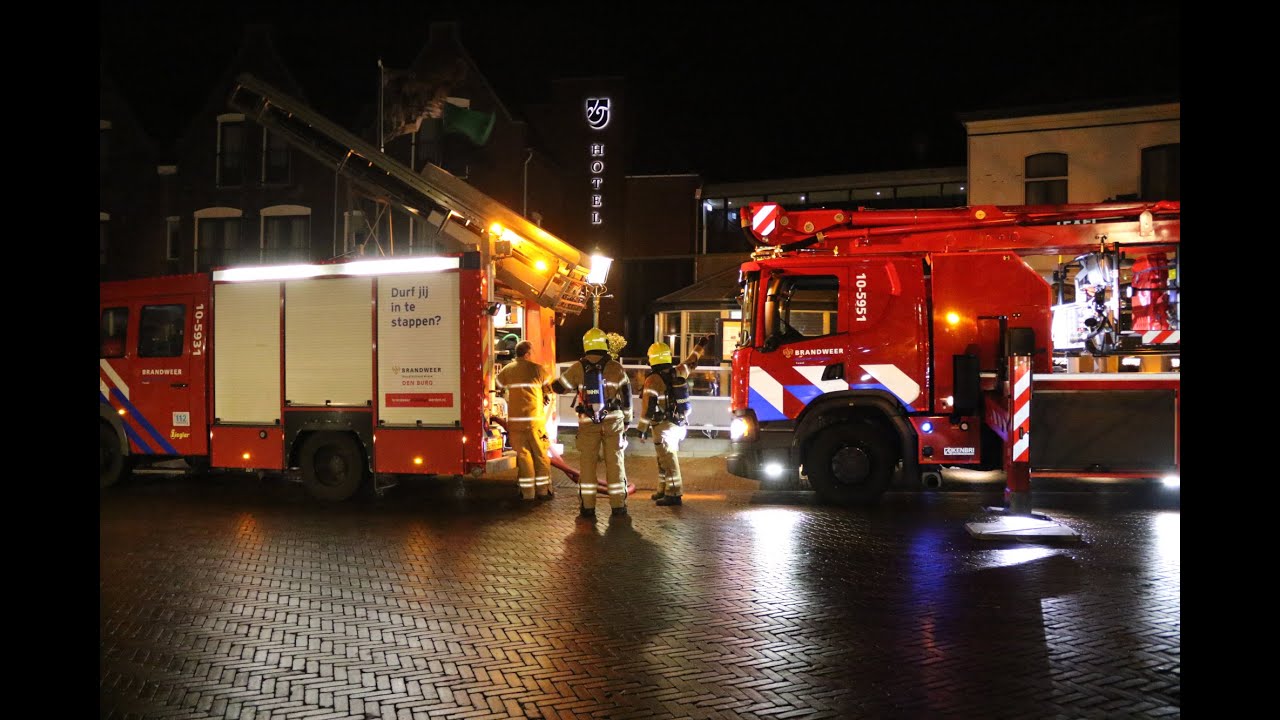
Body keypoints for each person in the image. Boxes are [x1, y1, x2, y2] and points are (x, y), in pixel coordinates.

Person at [550, 327, 633, 519]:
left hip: (588, 422)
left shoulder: (578, 367)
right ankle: (618, 506)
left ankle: (588, 507)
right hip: (614, 422)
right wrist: (627, 420)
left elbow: (559, 387)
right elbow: (627, 396)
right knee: (615, 462)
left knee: (587, 464)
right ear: (604, 344)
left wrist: (548, 384)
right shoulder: (616, 367)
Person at [637, 335, 709, 506]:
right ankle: (662, 489)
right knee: (663, 459)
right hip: (678, 423)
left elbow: (648, 408)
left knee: (668, 459)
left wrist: (641, 429)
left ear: (652, 358)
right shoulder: (679, 370)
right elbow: (693, 360)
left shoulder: (652, 380)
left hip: (663, 426)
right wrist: (700, 345)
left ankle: (674, 493)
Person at [495, 340, 555, 501]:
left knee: (523, 456)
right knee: (541, 454)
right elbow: (549, 390)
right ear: (527, 353)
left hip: (516, 423)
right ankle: (543, 491)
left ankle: (527, 493)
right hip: (535, 422)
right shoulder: (537, 369)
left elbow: (498, 385)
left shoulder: (507, 370)